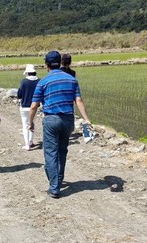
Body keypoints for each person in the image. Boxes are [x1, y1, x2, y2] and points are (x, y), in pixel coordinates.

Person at [29, 50, 91, 198]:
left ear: (46, 65)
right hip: (68, 120)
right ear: (60, 62)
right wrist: (86, 119)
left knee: (51, 153)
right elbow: (79, 101)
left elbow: (33, 106)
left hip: (51, 120)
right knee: (62, 150)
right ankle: (58, 179)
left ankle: (54, 186)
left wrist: (30, 122)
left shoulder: (43, 82)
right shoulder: (72, 80)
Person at [17, 64, 39, 150]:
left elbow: (19, 95)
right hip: (35, 106)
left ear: (27, 73)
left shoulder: (24, 82)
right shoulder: (39, 81)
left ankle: (27, 144)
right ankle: (30, 141)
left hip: (24, 106)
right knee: (32, 122)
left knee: (25, 124)